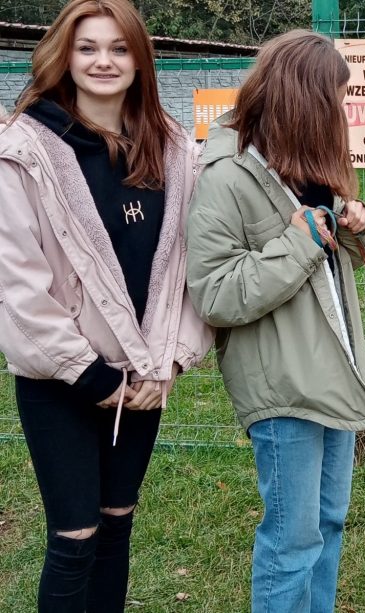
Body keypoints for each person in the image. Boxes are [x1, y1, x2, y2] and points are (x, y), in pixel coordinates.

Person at [0, 0, 213, 610]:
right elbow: (17, 286)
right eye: (88, 47)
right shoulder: (25, 149)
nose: (103, 61)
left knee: (117, 522)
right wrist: (90, 375)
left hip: (142, 382)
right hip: (62, 381)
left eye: (119, 48)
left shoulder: (173, 150)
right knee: (75, 538)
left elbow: (186, 272)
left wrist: (170, 361)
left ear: (140, 60)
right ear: (64, 55)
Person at [185, 30, 365, 613]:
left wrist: (358, 222)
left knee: (330, 521)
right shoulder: (227, 178)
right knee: (292, 540)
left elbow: (340, 255)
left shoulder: (310, 165)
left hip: (336, 372)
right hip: (282, 385)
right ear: (304, 101)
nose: (343, 111)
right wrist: (299, 243)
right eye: (336, 98)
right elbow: (215, 293)